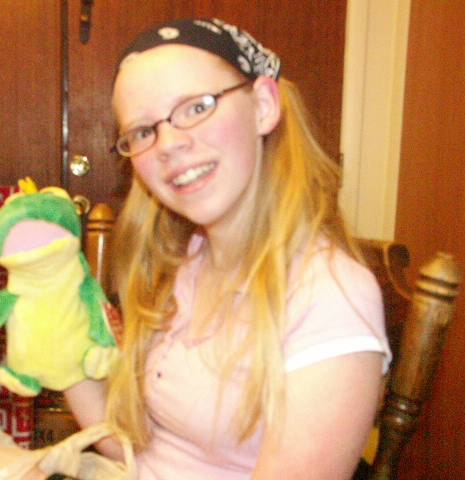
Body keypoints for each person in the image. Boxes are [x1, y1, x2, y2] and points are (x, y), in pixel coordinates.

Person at [63, 17, 391, 480]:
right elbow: (150, 454)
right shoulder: (189, 262)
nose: (168, 145)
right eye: (142, 132)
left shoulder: (331, 298)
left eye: (196, 107)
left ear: (263, 106)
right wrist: (60, 348)